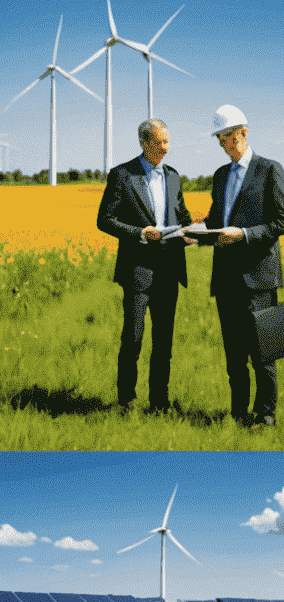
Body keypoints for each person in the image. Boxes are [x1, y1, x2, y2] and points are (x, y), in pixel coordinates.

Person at [97, 118, 195, 414]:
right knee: (134, 337)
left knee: (163, 341)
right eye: (161, 142)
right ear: (145, 142)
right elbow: (105, 220)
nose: (167, 147)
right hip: (138, 269)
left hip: (170, 268)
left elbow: (183, 215)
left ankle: (159, 402)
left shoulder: (174, 176)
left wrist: (192, 231)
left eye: (168, 141)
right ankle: (126, 400)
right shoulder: (123, 175)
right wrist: (139, 234)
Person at [206, 104, 284, 429]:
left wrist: (243, 234)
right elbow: (218, 220)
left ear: (244, 132)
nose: (223, 144)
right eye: (219, 139)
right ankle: (238, 414)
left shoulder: (270, 169)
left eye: (227, 137)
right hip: (226, 277)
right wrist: (196, 232)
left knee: (264, 353)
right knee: (234, 355)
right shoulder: (219, 175)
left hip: (259, 277)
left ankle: (266, 414)